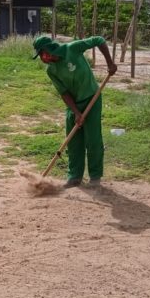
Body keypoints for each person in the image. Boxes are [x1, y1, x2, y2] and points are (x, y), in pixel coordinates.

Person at [32, 35, 117, 188]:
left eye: (42, 54)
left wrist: (110, 63)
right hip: (74, 104)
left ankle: (95, 177)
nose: (42, 59)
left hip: (92, 97)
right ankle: (74, 177)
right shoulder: (51, 70)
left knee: (93, 139)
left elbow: (99, 40)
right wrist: (76, 112)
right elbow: (64, 93)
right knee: (73, 141)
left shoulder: (72, 48)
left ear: (49, 50)